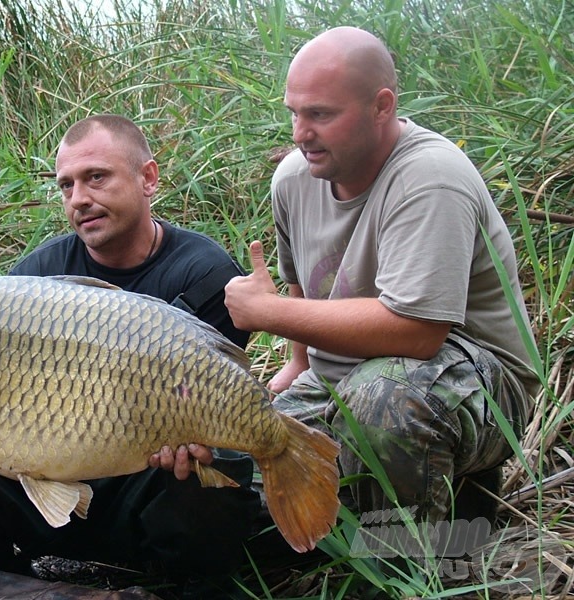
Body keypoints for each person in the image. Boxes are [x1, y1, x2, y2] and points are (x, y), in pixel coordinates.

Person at [0, 115, 260, 594]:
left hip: (141, 489)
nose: (79, 199)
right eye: (66, 186)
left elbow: (210, 396)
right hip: (44, 485)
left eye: (96, 178)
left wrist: (193, 445)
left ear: (148, 178)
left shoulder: (205, 275)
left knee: (221, 466)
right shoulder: (35, 278)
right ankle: (8, 583)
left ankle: (176, 584)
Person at [224, 27, 539, 536]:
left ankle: (414, 567)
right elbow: (304, 286)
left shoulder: (430, 176)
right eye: (294, 112)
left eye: (320, 114)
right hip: (340, 380)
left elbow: (417, 332)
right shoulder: (294, 179)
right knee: (235, 480)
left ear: (382, 106)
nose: (300, 132)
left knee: (385, 401)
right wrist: (296, 365)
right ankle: (449, 506)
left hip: (476, 383)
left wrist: (268, 312)